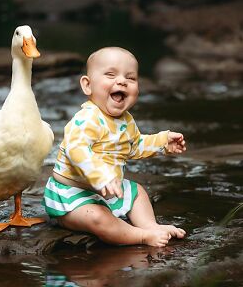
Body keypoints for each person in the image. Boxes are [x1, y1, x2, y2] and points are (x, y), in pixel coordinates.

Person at [43, 47, 186, 247]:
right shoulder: (87, 118)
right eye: (110, 75)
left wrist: (162, 142)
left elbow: (135, 146)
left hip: (107, 192)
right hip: (72, 196)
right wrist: (100, 176)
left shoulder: (126, 121)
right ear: (87, 85)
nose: (121, 81)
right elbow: (77, 150)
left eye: (131, 78)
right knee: (98, 217)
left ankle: (150, 226)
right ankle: (141, 236)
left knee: (137, 192)